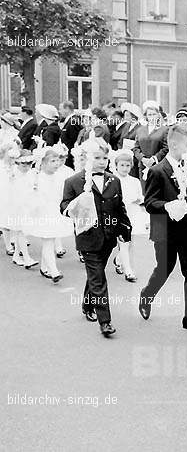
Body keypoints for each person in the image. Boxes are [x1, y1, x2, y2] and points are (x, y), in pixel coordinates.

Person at [139, 125, 187, 333]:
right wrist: (167, 206)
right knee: (163, 270)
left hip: (186, 229)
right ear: (175, 145)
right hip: (164, 230)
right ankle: (146, 295)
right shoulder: (158, 171)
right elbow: (150, 202)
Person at [60, 140, 131, 337]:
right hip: (88, 237)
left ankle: (87, 303)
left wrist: (125, 228)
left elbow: (120, 206)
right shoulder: (73, 181)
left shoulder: (113, 180)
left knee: (95, 274)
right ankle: (105, 321)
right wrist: (78, 203)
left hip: (108, 237)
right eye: (97, 158)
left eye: (105, 158)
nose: (102, 162)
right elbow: (64, 208)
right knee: (98, 278)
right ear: (86, 159)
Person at [24, 145, 74, 283]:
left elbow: (62, 194)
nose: (57, 164)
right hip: (43, 213)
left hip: (55, 212)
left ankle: (45, 267)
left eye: (57, 161)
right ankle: (53, 271)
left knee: (50, 240)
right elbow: (31, 196)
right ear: (43, 163)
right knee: (48, 241)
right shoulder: (38, 178)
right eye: (52, 161)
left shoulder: (59, 177)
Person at [111, 149, 147, 283]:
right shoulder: (113, 179)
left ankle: (119, 260)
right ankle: (128, 271)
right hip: (119, 213)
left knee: (130, 242)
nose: (125, 168)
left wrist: (138, 200)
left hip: (132, 212)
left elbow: (139, 196)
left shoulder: (135, 181)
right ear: (116, 166)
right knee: (124, 242)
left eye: (127, 165)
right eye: (122, 165)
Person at [7, 149, 38, 268]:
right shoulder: (13, 174)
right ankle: (26, 257)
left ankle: (16, 256)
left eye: (29, 164)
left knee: (23, 231)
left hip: (28, 205)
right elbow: (11, 192)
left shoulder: (31, 173)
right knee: (21, 231)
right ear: (17, 163)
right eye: (23, 164)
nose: (26, 167)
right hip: (17, 206)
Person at [133, 101, 169, 179]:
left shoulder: (164, 129)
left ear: (158, 115)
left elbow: (166, 148)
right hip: (143, 166)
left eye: (154, 114)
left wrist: (154, 159)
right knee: (144, 189)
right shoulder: (140, 130)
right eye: (149, 114)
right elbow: (136, 148)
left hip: (158, 166)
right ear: (146, 116)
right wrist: (143, 159)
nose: (152, 117)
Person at [59, 101, 83, 167]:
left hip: (71, 158)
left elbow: (75, 140)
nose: (59, 111)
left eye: (60, 109)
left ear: (67, 109)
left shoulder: (73, 121)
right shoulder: (70, 120)